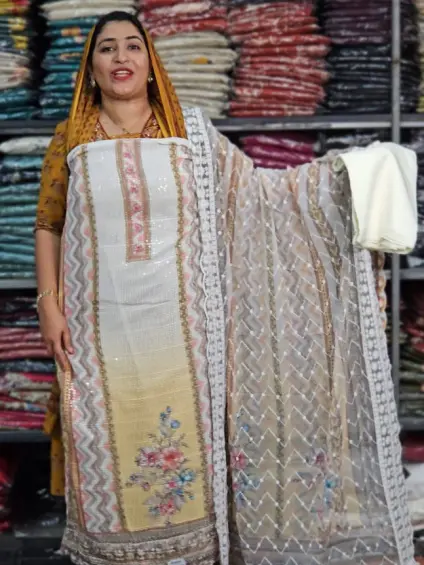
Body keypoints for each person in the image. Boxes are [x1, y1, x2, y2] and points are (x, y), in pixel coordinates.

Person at [35, 10, 416, 565]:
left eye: (133, 46)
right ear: (90, 68)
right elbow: (49, 223)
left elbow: (256, 194)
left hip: (183, 335)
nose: (121, 57)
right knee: (100, 441)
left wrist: (352, 176)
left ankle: (190, 551)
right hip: (96, 332)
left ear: (150, 62)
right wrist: (49, 306)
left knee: (190, 447)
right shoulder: (71, 136)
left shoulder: (189, 132)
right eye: (107, 48)